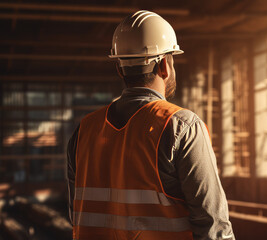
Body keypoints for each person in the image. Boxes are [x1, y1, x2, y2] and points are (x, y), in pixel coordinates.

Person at [66, 10, 234, 240]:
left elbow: (76, 215)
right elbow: (213, 228)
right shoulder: (181, 127)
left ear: (119, 68)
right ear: (164, 65)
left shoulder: (84, 131)